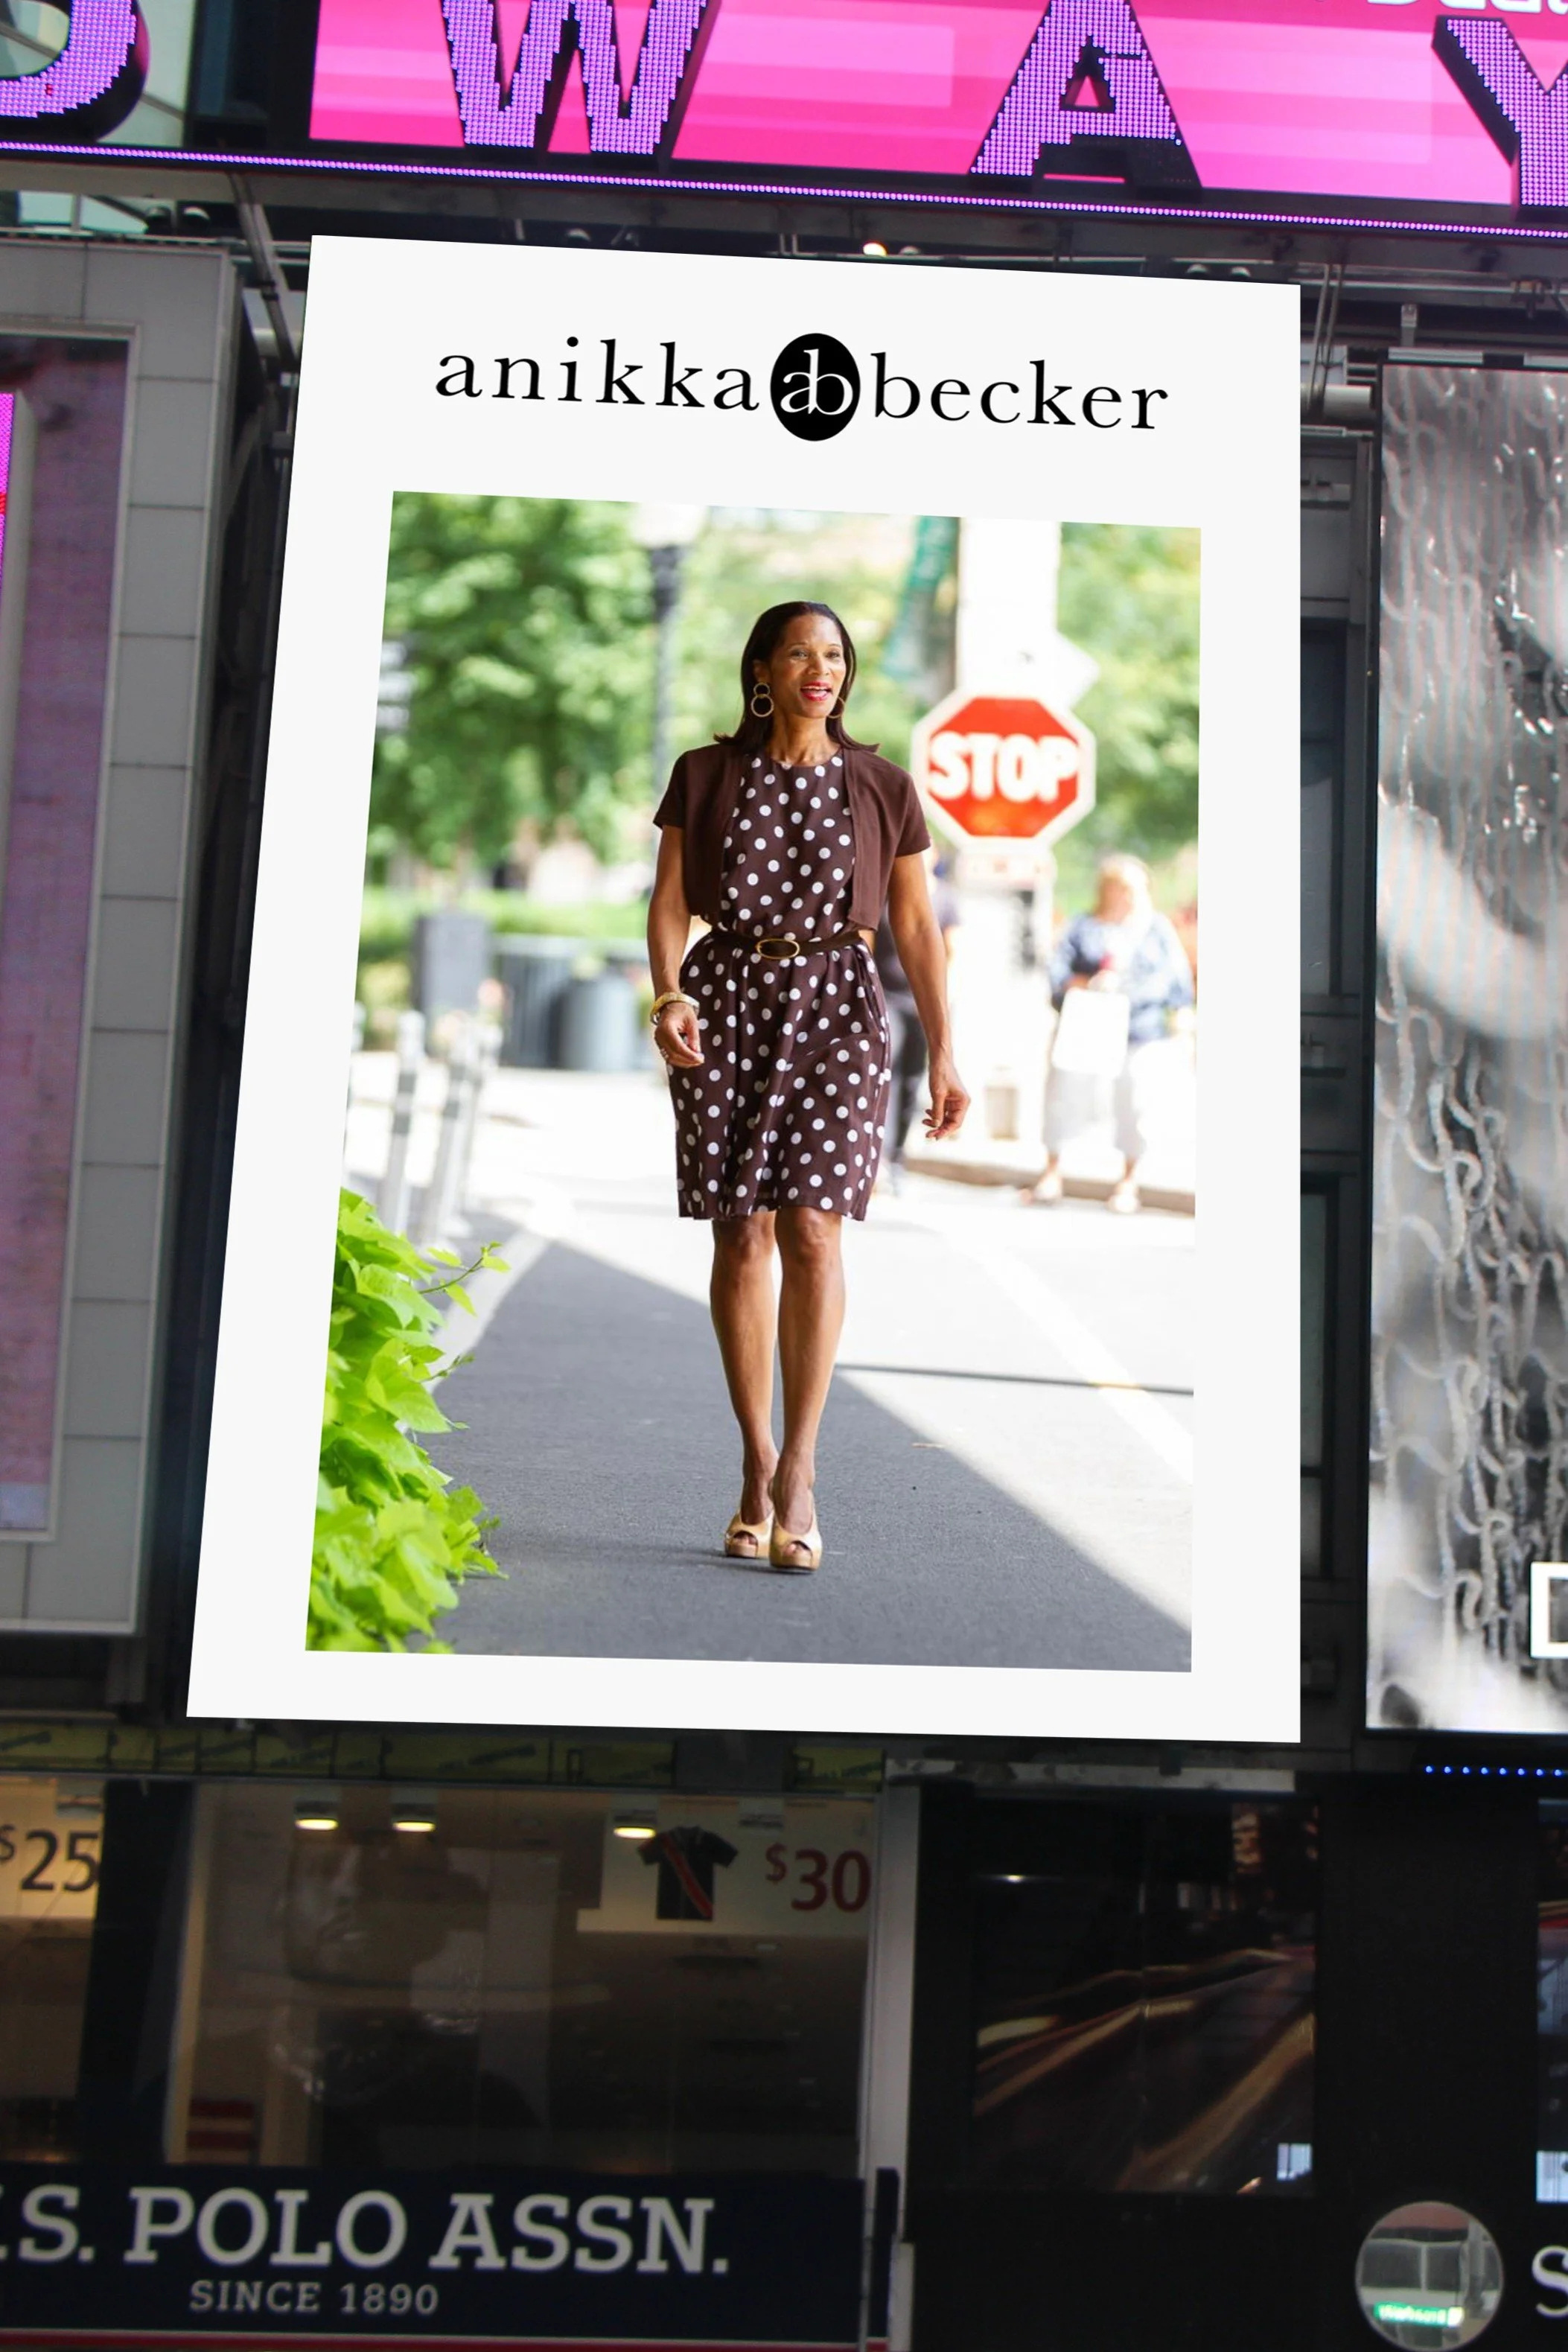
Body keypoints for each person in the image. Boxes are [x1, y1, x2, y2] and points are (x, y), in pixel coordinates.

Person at [646, 601, 969, 1571]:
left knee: (813, 1226)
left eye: (832, 654)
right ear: (761, 669)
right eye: (798, 653)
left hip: (838, 1005)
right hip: (727, 999)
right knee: (739, 1230)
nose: (817, 669)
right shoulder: (704, 775)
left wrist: (946, 1050)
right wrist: (666, 992)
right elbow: (667, 898)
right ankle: (753, 1460)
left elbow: (915, 926)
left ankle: (801, 1469)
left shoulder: (882, 785)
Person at [1022, 852, 1193, 1216]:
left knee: (1135, 1104)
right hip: (1086, 1026)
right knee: (1064, 1097)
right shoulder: (1084, 926)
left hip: (1139, 1030)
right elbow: (1058, 970)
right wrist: (1084, 985)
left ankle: (1128, 1180)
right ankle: (1052, 1171)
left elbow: (1173, 982)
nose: (1128, 896)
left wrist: (1128, 991)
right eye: (1121, 888)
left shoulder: (1156, 930)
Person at [873, 851, 960, 1190]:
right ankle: (878, 1156)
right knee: (886, 1074)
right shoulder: (883, 892)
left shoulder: (946, 899)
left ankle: (897, 1158)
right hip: (886, 995)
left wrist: (946, 1002)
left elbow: (953, 950)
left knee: (912, 1079)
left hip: (921, 999)